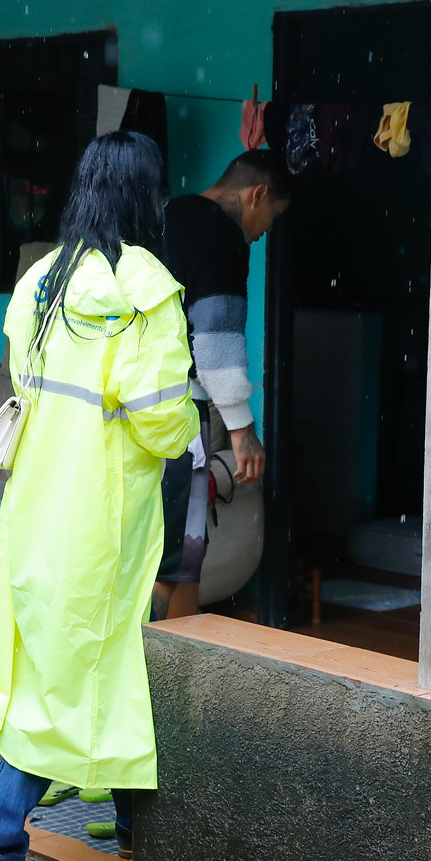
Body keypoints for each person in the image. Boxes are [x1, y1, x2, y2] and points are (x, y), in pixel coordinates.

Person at [0, 132, 200, 861]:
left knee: (84, 660)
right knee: (77, 669)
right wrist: (190, 422)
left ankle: (129, 827)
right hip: (104, 513)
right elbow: (162, 421)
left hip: (36, 503)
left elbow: (23, 377)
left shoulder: (42, 282)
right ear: (144, 195)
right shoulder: (146, 289)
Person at [153, 149, 292, 621]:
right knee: (181, 556)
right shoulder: (225, 238)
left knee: (147, 544)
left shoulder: (165, 215)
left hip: (129, 406)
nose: (266, 231)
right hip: (176, 413)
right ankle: (172, 673)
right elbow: (216, 341)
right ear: (258, 194)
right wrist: (240, 426)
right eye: (272, 218)